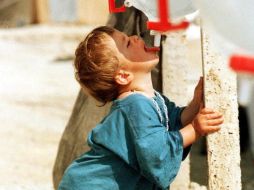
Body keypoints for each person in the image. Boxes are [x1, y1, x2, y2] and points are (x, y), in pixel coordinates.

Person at [58, 26, 224, 190]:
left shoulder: (149, 99)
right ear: (123, 76)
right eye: (128, 43)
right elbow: (156, 153)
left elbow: (173, 123)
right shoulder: (135, 106)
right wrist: (195, 129)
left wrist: (196, 103)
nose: (136, 37)